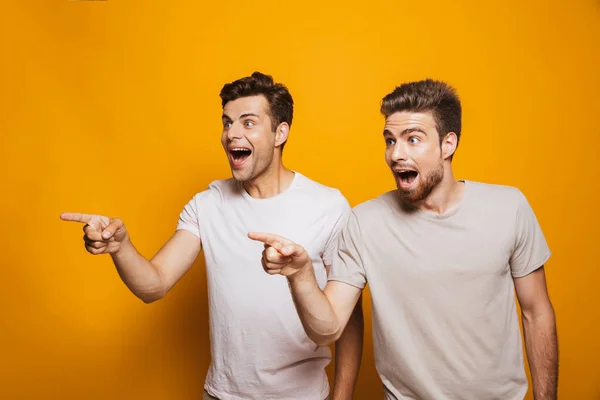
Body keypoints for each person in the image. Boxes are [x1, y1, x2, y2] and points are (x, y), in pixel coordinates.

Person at [61, 72, 364, 400]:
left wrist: (343, 395)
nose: (232, 133)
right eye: (227, 122)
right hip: (220, 395)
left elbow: (346, 318)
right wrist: (120, 248)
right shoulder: (207, 204)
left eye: (248, 123)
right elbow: (154, 284)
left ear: (280, 132)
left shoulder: (328, 206)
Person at [250, 79, 558, 400]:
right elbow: (327, 329)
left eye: (413, 139)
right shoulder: (365, 222)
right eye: (390, 140)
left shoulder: (509, 208)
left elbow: (537, 312)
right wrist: (301, 276)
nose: (396, 154)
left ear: (447, 144)